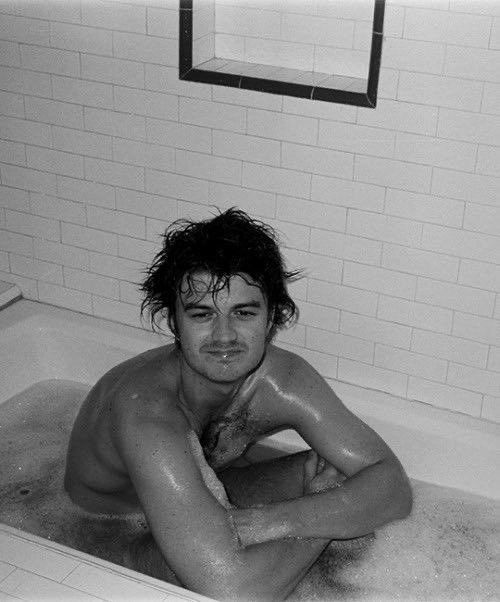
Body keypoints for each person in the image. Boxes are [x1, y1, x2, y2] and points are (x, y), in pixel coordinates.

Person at [64, 208, 412, 600]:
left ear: (272, 317)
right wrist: (317, 519)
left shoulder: (282, 381)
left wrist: (274, 521)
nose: (224, 336)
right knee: (326, 513)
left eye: (243, 313)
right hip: (112, 534)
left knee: (342, 477)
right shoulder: (148, 415)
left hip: (194, 504)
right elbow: (235, 593)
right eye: (202, 314)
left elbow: (393, 488)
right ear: (173, 321)